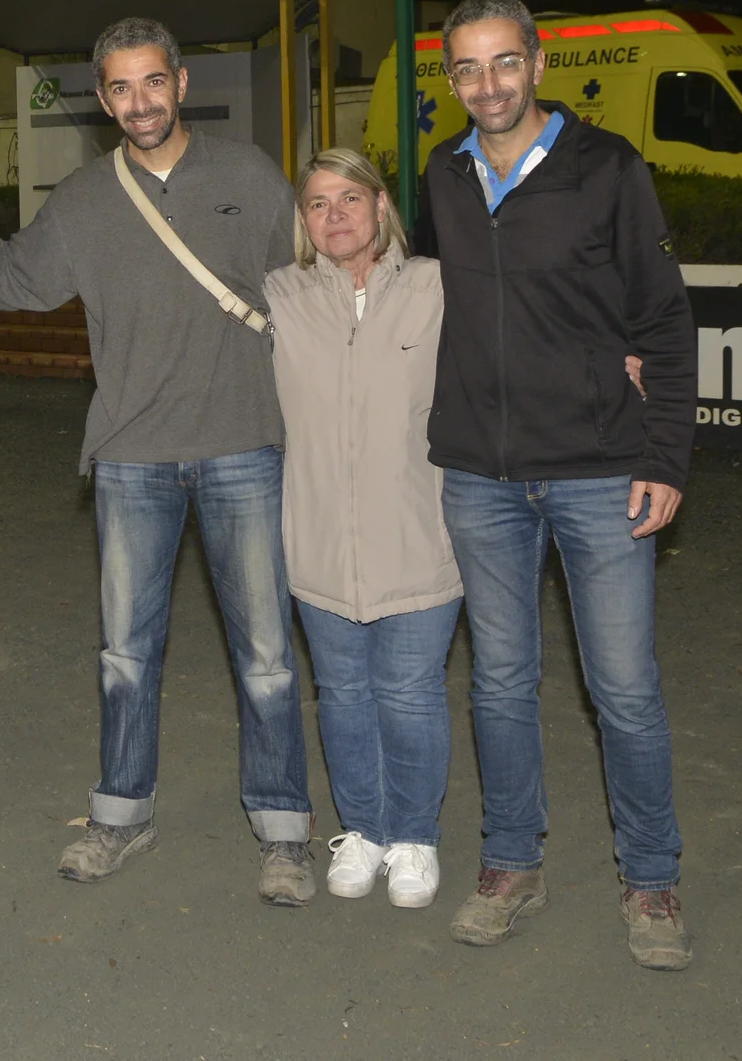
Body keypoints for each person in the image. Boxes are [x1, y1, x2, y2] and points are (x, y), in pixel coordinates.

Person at [0, 17, 318, 906]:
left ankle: (285, 832)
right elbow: (10, 280)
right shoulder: (86, 200)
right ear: (103, 99)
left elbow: (309, 283)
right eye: (121, 88)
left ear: (181, 82)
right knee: (126, 655)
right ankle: (121, 816)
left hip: (244, 444)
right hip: (132, 455)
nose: (140, 102)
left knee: (267, 657)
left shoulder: (247, 175)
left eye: (153, 82)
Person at [416, 0, 698, 971]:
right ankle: (510, 864)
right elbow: (435, 299)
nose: (487, 84)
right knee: (499, 684)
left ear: (537, 64)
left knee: (623, 690)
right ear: (451, 79)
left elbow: (663, 319)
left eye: (504, 62)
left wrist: (664, 454)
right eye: (466, 67)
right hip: (481, 477)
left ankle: (651, 880)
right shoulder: (443, 173)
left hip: (598, 471)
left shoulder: (607, 167)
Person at [264, 146, 461, 912]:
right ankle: (365, 831)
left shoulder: (437, 287)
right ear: (303, 221)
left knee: (409, 695)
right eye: (318, 203)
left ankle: (414, 837)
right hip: (317, 541)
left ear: (382, 207)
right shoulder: (279, 295)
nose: (335, 214)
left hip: (418, 535)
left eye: (350, 197)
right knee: (342, 693)